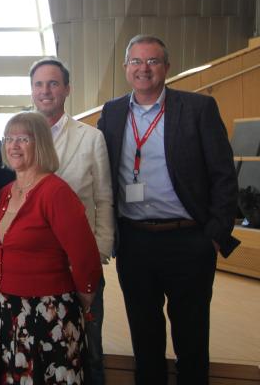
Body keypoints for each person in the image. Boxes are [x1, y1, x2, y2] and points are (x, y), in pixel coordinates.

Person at [97, 34, 240, 385]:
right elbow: (101, 173)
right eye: (136, 61)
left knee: (191, 338)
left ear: (167, 67)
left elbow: (224, 174)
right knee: (144, 339)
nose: (143, 69)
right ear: (125, 67)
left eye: (152, 61)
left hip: (189, 239)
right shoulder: (113, 112)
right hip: (135, 241)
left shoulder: (196, 108)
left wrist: (215, 234)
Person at [0, 112, 101, 385]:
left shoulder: (55, 192)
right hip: (9, 310)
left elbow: (85, 255)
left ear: (40, 144)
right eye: (9, 138)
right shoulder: (6, 192)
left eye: (23, 139)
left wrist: (85, 296)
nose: (14, 145)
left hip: (49, 314)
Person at [30, 57, 114, 384]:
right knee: (41, 345)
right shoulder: (20, 135)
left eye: (53, 83)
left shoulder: (91, 138)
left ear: (67, 89)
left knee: (89, 346)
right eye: (39, 84)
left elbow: (104, 198)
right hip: (35, 261)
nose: (46, 90)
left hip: (79, 261)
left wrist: (101, 250)